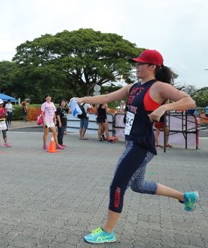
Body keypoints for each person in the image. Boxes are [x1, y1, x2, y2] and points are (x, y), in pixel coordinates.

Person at [74, 49, 199, 244]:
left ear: (152, 67)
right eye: (136, 63)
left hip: (141, 145)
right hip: (132, 143)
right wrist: (82, 100)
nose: (136, 67)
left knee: (117, 185)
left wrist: (164, 107)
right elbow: (107, 98)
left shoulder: (159, 87)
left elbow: (189, 101)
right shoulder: (133, 87)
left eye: (141, 64)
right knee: (138, 185)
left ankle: (107, 231)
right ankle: (186, 197)